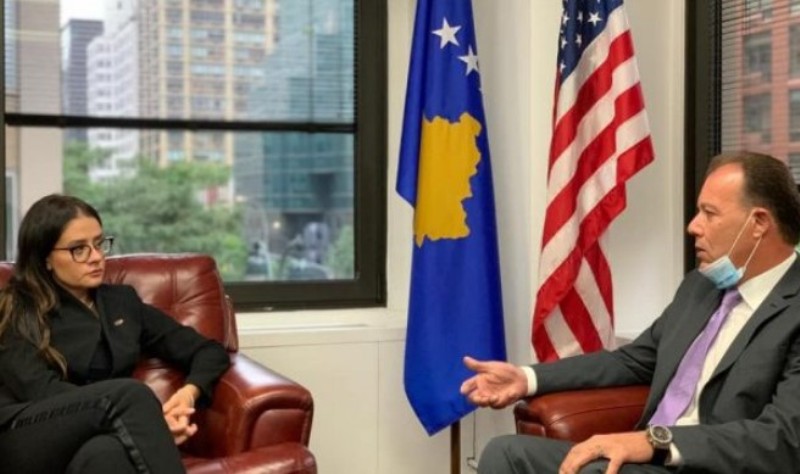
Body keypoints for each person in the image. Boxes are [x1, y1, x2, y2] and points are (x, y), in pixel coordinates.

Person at [461, 151, 800, 474]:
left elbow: (784, 438)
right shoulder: (700, 288)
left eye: (709, 214)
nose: (694, 226)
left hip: (710, 464)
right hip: (652, 460)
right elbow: (633, 361)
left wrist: (656, 441)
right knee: (507, 453)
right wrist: (526, 378)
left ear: (759, 223)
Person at [0, 194, 231, 473]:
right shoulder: (16, 306)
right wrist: (148, 422)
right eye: (79, 249)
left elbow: (208, 350)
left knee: (107, 454)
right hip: (22, 436)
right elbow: (40, 390)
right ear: (46, 258)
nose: (96, 257)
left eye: (99, 243)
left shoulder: (121, 302)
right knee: (131, 395)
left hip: (95, 434)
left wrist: (188, 394)